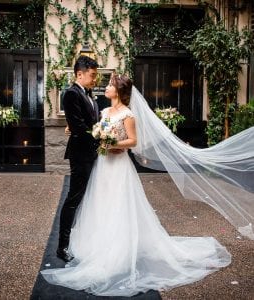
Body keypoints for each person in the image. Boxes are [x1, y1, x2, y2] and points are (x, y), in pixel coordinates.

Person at [41, 74, 245, 297]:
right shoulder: (104, 112)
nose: (106, 87)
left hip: (118, 166)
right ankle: (99, 244)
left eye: (109, 85)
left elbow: (133, 141)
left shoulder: (128, 114)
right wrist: (77, 130)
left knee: (119, 205)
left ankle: (119, 249)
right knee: (101, 203)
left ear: (119, 90)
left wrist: (112, 143)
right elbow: (94, 129)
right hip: (103, 166)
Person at [57, 55, 99, 262]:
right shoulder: (71, 94)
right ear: (79, 74)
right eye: (92, 75)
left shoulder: (88, 93)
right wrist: (102, 137)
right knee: (74, 198)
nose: (94, 79)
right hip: (81, 154)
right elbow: (80, 128)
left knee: (89, 197)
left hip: (93, 153)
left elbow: (92, 122)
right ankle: (62, 246)